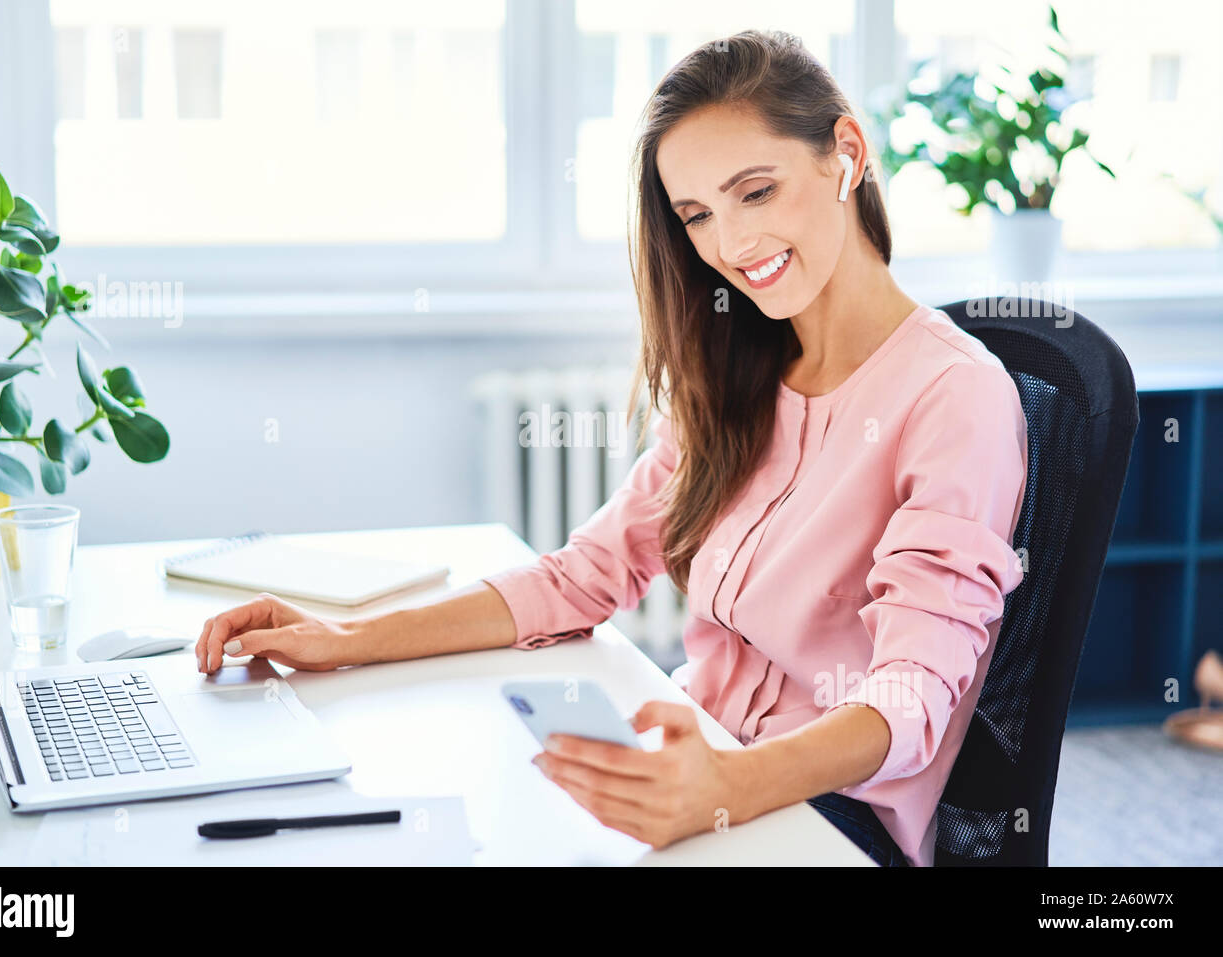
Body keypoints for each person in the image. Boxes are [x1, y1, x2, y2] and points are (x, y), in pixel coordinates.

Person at [195, 30, 1028, 868]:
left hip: (827, 822)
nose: (731, 245)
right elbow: (582, 575)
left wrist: (727, 785)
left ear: (843, 155)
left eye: (757, 191)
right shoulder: (741, 371)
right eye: (698, 214)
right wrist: (347, 636)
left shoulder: (955, 395)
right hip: (700, 765)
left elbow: (913, 695)